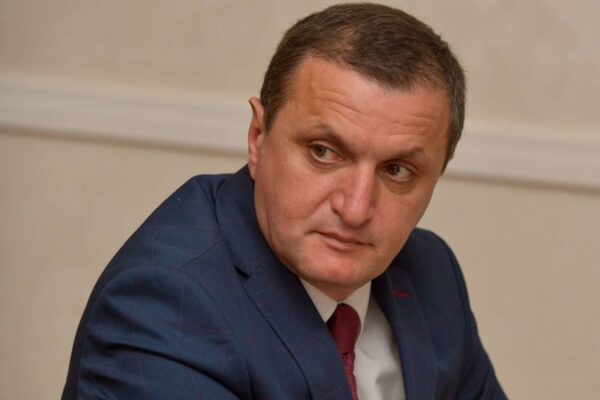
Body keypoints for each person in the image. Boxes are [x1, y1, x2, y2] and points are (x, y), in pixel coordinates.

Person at [62, 3, 507, 399]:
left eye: (396, 171)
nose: (355, 209)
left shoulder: (432, 274)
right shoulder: (163, 304)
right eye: (323, 152)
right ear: (258, 137)